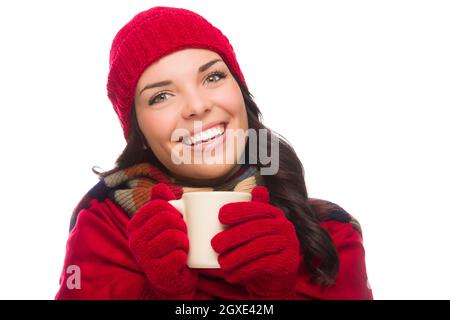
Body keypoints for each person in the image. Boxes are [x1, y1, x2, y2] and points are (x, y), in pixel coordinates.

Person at [55, 6, 373, 300]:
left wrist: (277, 294)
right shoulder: (104, 227)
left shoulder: (332, 231)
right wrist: (162, 294)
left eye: (213, 76)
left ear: (240, 92)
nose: (197, 106)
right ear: (140, 134)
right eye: (161, 96)